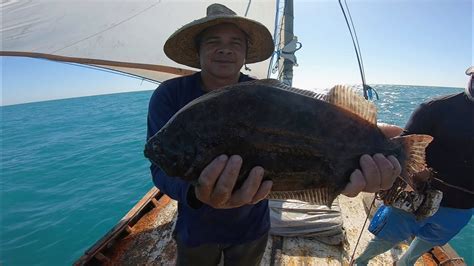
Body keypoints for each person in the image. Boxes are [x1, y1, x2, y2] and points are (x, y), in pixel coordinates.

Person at [147, 3, 401, 265]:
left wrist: (368, 143)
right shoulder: (169, 95)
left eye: (236, 42)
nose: (225, 48)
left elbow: (312, 125)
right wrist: (193, 194)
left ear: (246, 54)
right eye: (213, 41)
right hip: (196, 230)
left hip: (251, 229)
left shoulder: (265, 94)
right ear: (197, 50)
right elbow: (159, 166)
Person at [354, 67, 474, 266]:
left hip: (461, 208)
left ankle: (404, 263)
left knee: (426, 244)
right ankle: (361, 262)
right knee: (384, 239)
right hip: (416, 196)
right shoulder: (435, 108)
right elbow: (401, 148)